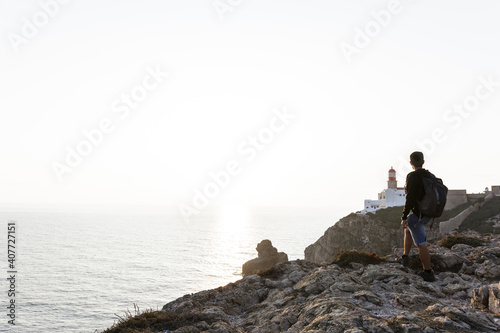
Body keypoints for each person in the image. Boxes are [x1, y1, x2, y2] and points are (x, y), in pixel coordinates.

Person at [400, 151, 436, 282]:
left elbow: (410, 198)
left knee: (421, 244)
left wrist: (404, 216)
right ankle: (405, 257)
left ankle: (428, 272)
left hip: (418, 214)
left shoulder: (412, 177)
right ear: (423, 162)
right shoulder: (430, 176)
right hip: (428, 213)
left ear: (411, 163)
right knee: (408, 228)